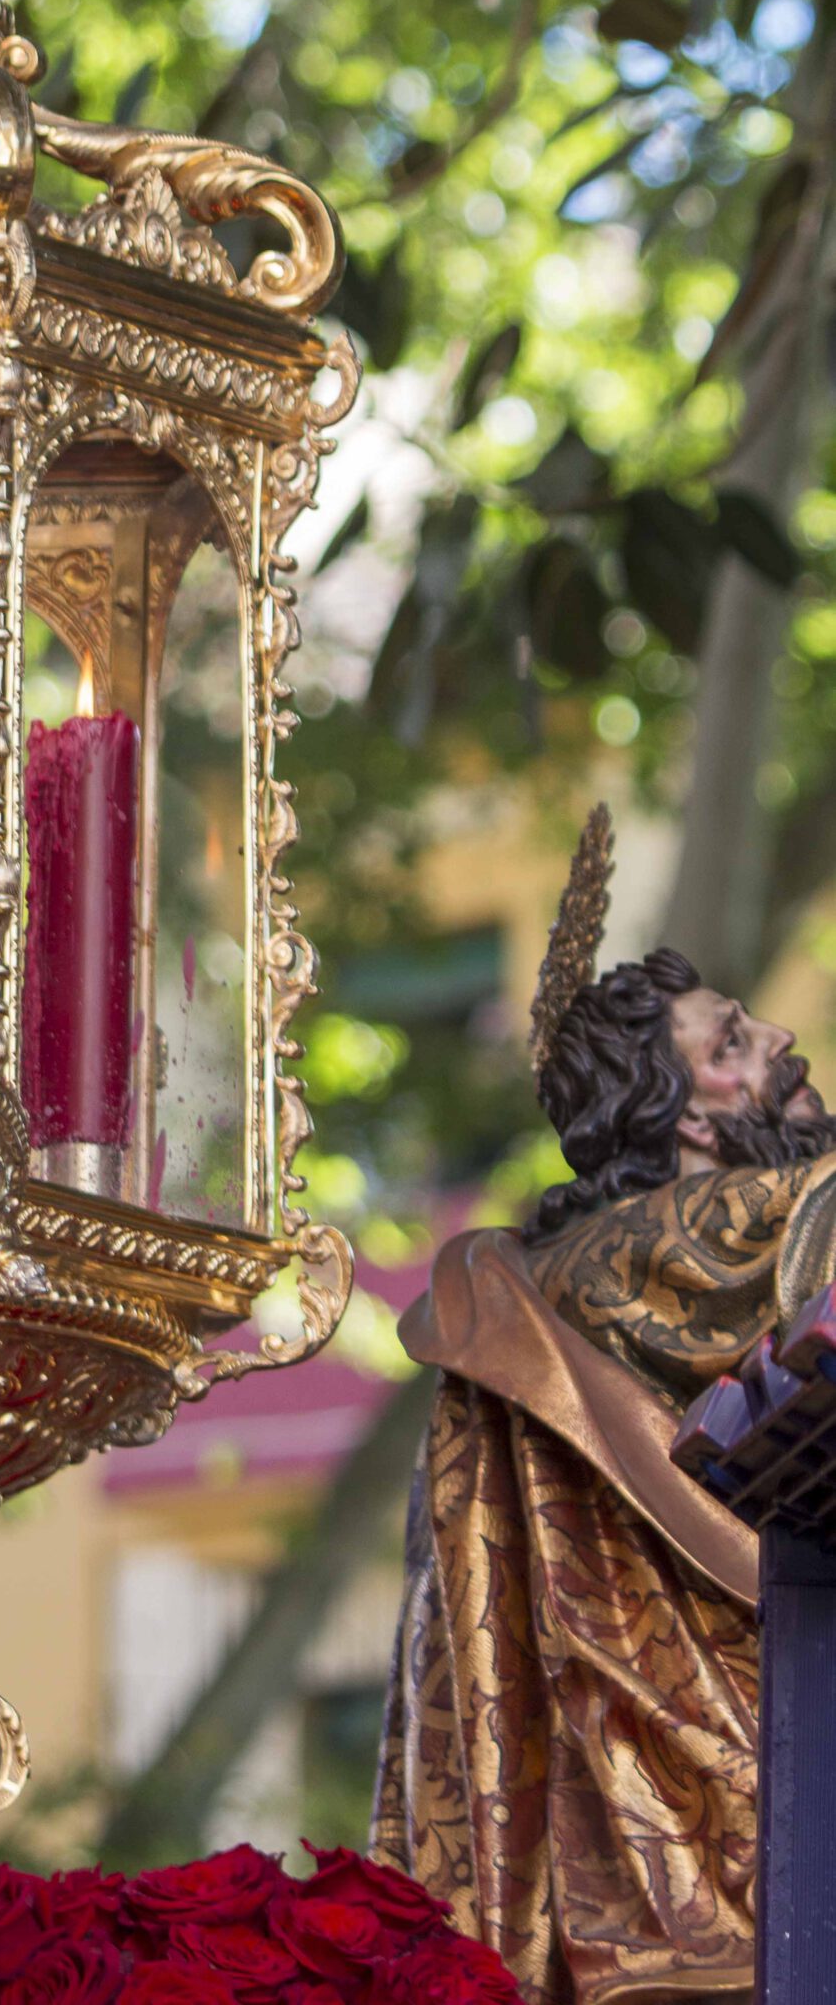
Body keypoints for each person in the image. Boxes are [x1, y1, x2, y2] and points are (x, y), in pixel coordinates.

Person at [372, 805, 836, 2005]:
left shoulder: (552, 1278)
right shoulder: (697, 1235)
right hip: (759, 1816)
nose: (781, 1039)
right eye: (734, 1039)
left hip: (641, 1860)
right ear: (689, 1116)